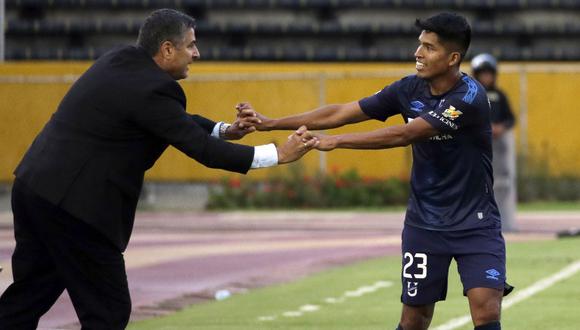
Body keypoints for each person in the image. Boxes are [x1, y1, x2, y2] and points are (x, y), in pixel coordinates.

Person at [0, 9, 318, 329]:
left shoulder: (121, 60)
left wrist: (224, 129)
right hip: (75, 206)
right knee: (108, 312)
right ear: (167, 49)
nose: (197, 54)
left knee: (28, 296)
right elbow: (201, 149)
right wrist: (277, 154)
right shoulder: (155, 89)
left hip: (33, 188)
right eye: (191, 45)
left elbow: (170, 122)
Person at [238, 12, 513, 330]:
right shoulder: (409, 89)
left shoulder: (469, 97)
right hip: (425, 224)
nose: (418, 53)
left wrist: (336, 142)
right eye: (419, 45)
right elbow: (342, 112)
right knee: (414, 319)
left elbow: (406, 134)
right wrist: (270, 122)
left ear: (453, 58)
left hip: (476, 225)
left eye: (429, 47)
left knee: (486, 312)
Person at [471, 53, 517, 232]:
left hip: (498, 148)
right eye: (482, 74)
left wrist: (501, 127)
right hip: (476, 147)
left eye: (489, 74)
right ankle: (477, 222)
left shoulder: (499, 96)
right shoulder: (470, 94)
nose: (486, 78)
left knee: (502, 183)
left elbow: (511, 118)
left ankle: (505, 221)